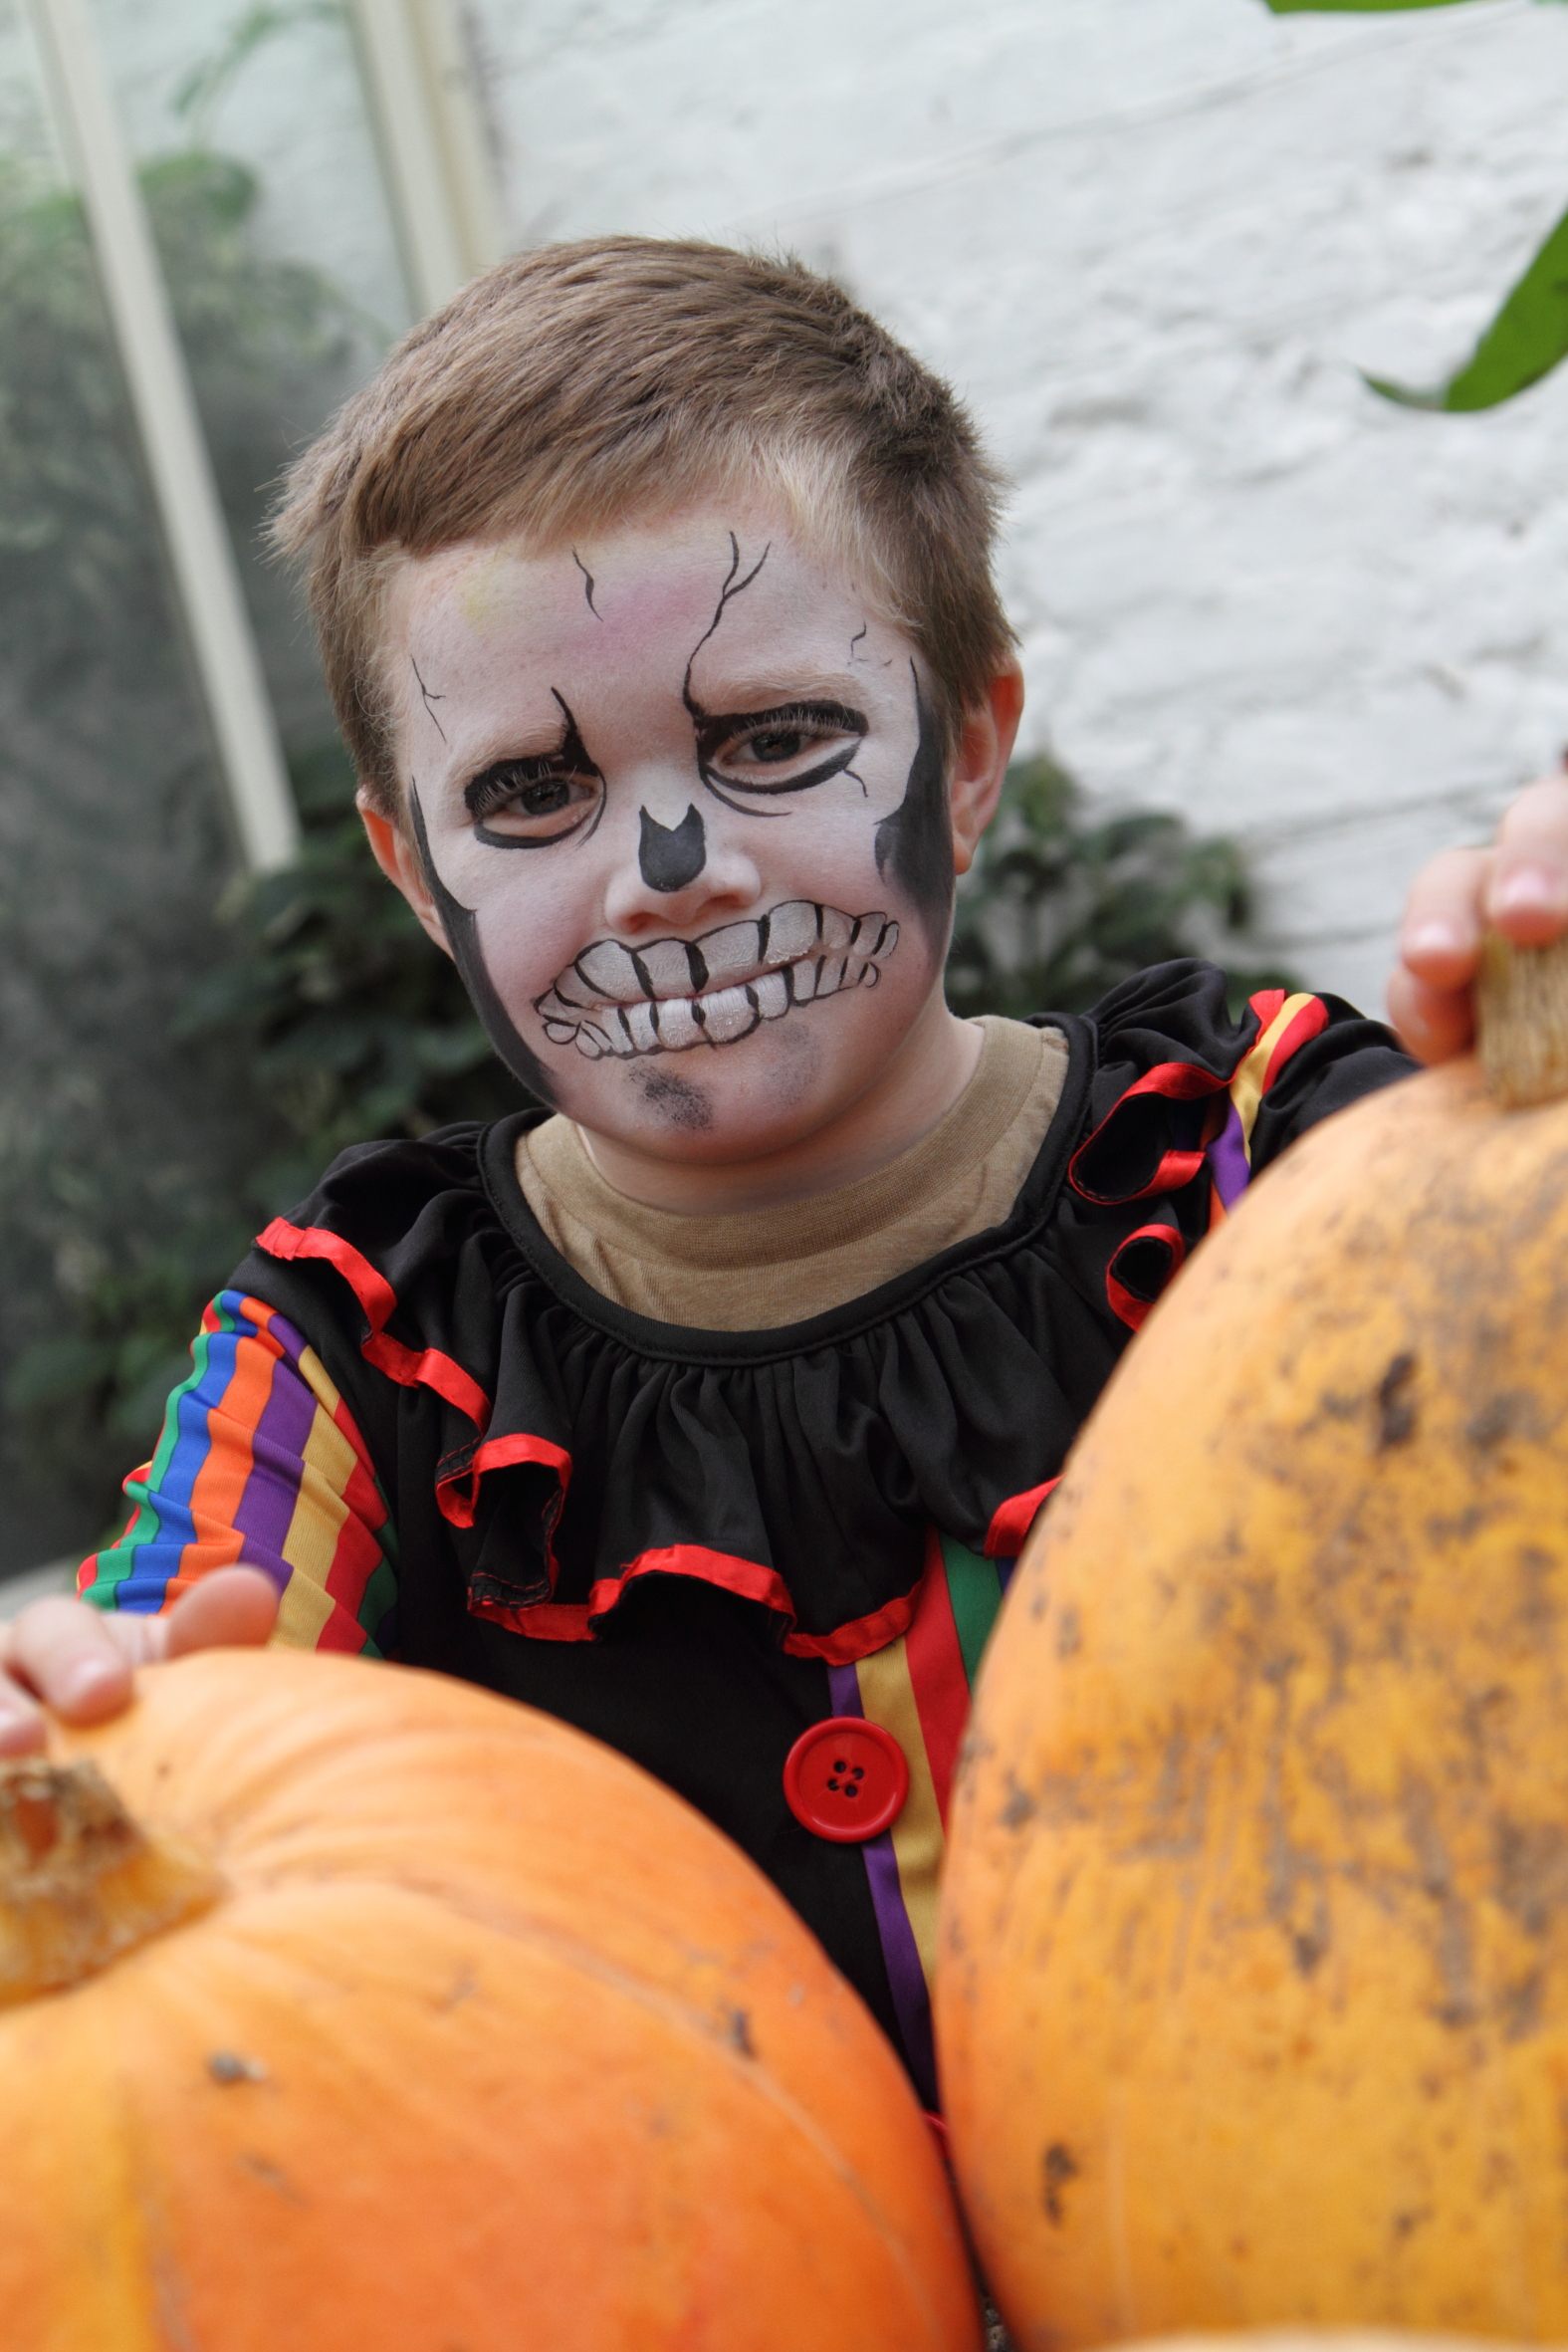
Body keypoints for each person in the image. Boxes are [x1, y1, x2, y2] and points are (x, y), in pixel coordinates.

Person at [3, 237, 1563, 2104]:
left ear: (971, 750)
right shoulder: (365, 1344)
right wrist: (79, 1735)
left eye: (776, 740)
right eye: (528, 794)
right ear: (414, 868)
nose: (671, 864)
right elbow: (179, 1712)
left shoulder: (1264, 1154)